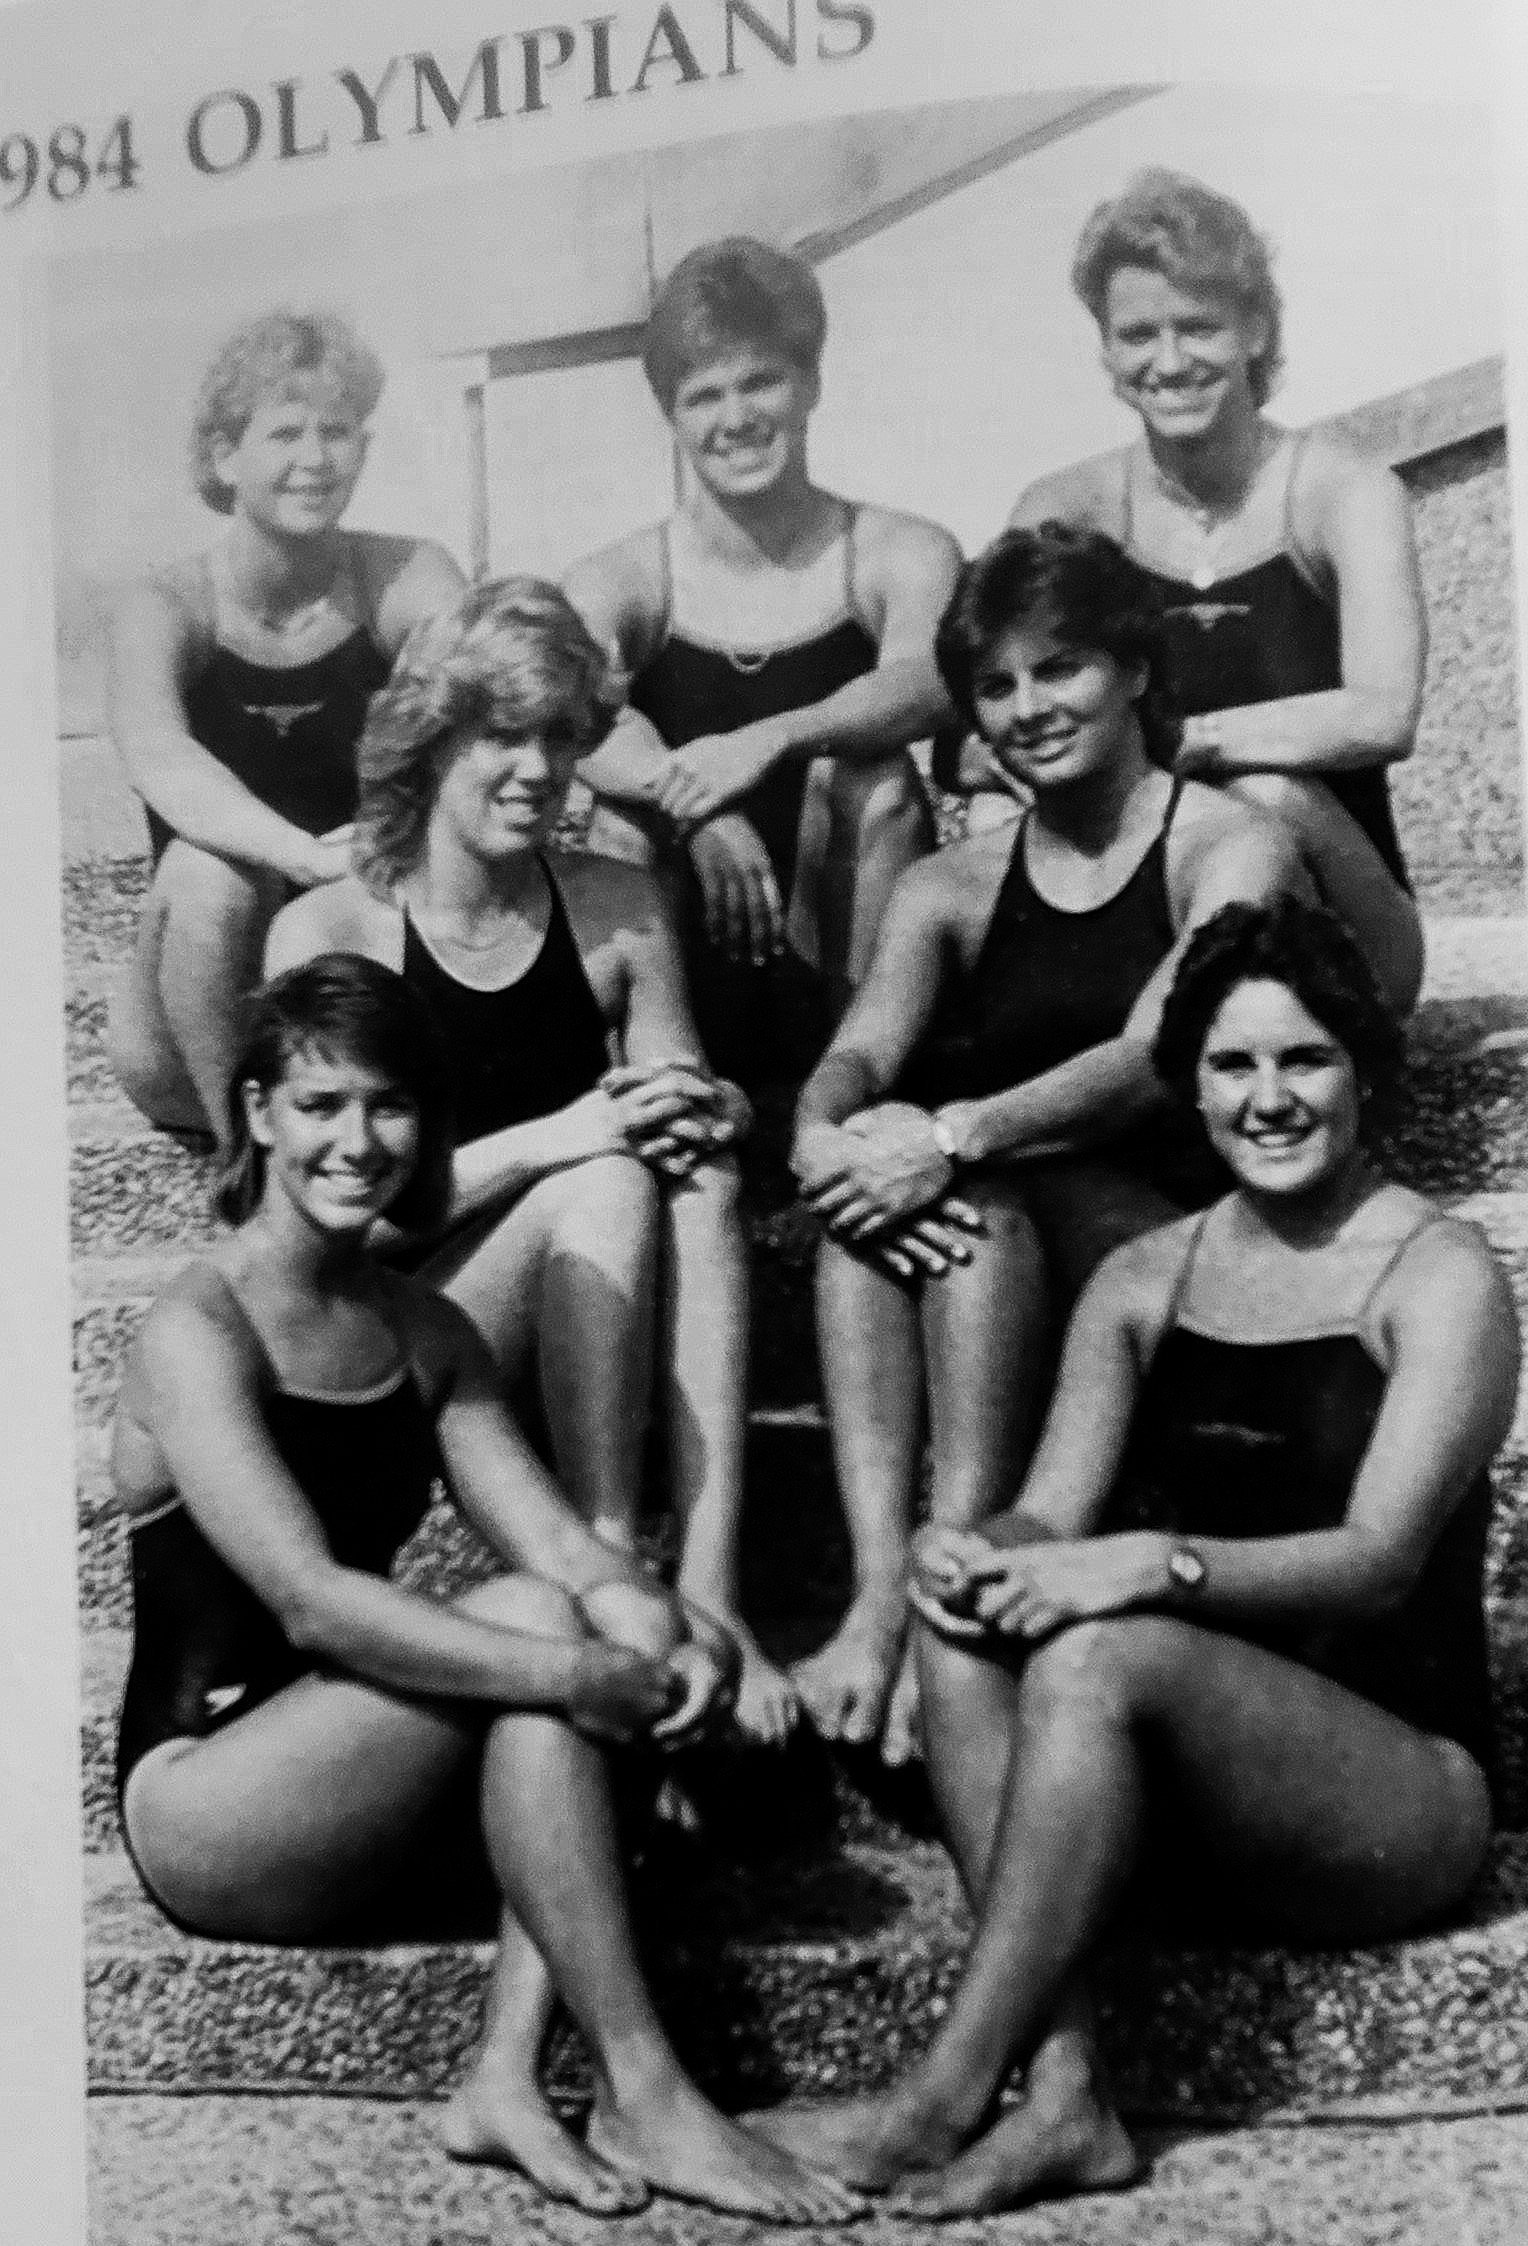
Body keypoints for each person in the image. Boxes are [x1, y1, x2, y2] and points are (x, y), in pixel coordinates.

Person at [758, 898, 1514, 2218]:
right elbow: (1048, 1515)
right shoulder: (1146, 1276)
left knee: (1100, 1650)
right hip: (1179, 1791)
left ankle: (942, 2092)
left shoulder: (1436, 1272)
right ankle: (1064, 2089)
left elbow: (1381, 1559)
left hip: (1398, 1795)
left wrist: (1151, 1563)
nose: (1269, 1097)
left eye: (1304, 1060)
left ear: (1367, 1070)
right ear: (1189, 1087)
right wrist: (974, 1556)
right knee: (968, 1619)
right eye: (1233, 1065)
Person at [113, 955, 861, 2226]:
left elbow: (567, 1550)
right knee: (532, 1638)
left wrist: (673, 1637)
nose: (357, 1141)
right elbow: (311, 1602)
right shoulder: (197, 1327)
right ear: (256, 1113)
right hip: (209, 1797)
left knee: (583, 1613)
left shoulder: (422, 1329)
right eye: (320, 1104)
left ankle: (508, 2076)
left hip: (358, 1758)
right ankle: (645, 2087)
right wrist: (583, 1661)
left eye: (389, 1106)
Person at [788, 524, 1301, 1762]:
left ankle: (940, 1591)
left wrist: (953, 1132)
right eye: (997, 685)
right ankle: (878, 1591)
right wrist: (818, 1133)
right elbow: (860, 1054)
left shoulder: (1226, 843)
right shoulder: (952, 883)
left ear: (1132, 668)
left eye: (1058, 668)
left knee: (961, 1191)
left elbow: (1152, 1056)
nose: (1028, 707)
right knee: (883, 1201)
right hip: (1008, 1238)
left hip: (1182, 1247)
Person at [266, 577, 796, 1744]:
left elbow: (676, 1105)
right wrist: (555, 1141)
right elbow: (309, 1242)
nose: (538, 770)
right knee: (602, 1170)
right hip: (405, 1333)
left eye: (561, 738)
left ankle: (707, 1587)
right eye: (501, 735)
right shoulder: (334, 930)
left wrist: (705, 1106)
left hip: (580, 1313)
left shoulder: (615, 899)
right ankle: (608, 1558)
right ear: (429, 741)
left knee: (693, 1176)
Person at [1009, 169, 1426, 1015]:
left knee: (1264, 794)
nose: (1169, 363)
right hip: (1147, 880)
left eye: (1198, 327)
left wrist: (1179, 741)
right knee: (998, 822)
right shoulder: (1065, 509)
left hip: (1338, 913)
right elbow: (984, 731)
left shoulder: (1344, 491)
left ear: (1256, 330)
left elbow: (1385, 714)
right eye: (1137, 335)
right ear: (1107, 350)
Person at [565, 235, 963, 1102]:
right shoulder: (622, 577)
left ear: (812, 383)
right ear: (670, 415)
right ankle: (676, 1101)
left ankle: (856, 1095)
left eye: (761, 382)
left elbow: (927, 684)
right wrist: (698, 810)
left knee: (878, 781)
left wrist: (772, 739)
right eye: (703, 395)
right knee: (623, 825)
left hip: (845, 913)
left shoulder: (897, 548)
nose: (735, 418)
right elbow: (582, 723)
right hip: (696, 927)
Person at [105, 310, 466, 1143]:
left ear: (364, 452)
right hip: (195, 1014)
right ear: (225, 457)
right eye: (285, 434)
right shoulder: (166, 605)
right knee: (209, 870)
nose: (315, 459)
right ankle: (246, 1159)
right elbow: (161, 758)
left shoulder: (407, 573)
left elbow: (472, 692)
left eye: (336, 432)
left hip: (350, 969)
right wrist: (303, 854)